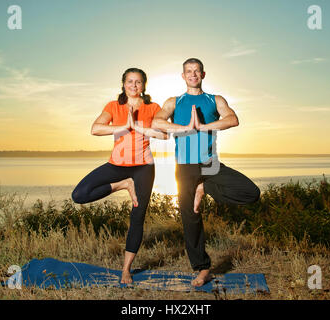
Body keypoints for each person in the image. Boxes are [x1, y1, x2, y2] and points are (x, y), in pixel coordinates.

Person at [152, 58, 261, 287]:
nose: (193, 74)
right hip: (184, 166)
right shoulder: (174, 101)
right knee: (190, 216)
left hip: (210, 163)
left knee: (251, 192)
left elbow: (232, 119)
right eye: (188, 71)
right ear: (183, 76)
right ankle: (202, 268)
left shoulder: (215, 99)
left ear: (203, 74)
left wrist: (203, 127)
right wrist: (185, 129)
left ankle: (206, 186)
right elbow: (157, 122)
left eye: (197, 71)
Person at [71, 67, 167, 284]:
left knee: (137, 217)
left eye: (138, 82)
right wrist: (125, 125)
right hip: (117, 166)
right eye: (130, 81)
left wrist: (139, 128)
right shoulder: (113, 106)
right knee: (79, 194)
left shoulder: (153, 108)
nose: (134, 86)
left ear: (144, 85)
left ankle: (126, 270)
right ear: (123, 84)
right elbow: (95, 128)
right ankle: (123, 184)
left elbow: (164, 134)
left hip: (143, 167)